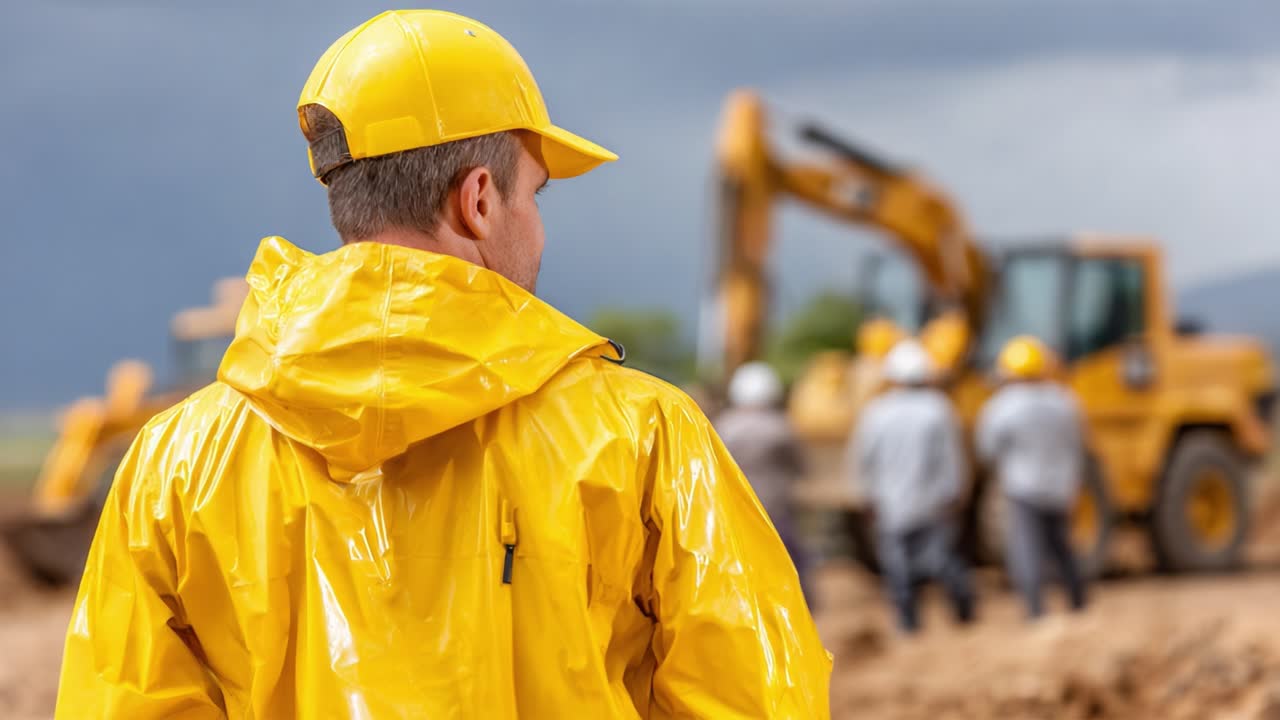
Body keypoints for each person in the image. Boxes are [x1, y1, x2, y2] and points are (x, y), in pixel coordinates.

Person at [55, 11, 830, 718]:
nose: (541, 229)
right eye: (538, 193)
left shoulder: (174, 464)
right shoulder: (646, 437)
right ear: (480, 200)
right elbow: (755, 697)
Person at [853, 338, 974, 633]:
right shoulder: (939, 409)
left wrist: (866, 496)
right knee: (941, 560)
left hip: (890, 503)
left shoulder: (876, 413)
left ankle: (909, 623)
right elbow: (950, 459)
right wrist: (955, 493)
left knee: (897, 566)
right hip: (931, 503)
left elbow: (863, 459)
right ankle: (964, 613)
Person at [976, 335, 1088, 619]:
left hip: (1022, 486)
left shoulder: (1002, 405)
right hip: (1060, 485)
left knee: (1027, 551)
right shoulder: (1064, 400)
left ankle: (1035, 610)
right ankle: (1078, 602)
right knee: (1062, 547)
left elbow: (987, 448)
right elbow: (1078, 442)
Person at [715, 362, 809, 596]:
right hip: (776, 507)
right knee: (786, 557)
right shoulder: (780, 427)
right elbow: (799, 465)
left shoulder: (724, 427)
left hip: (735, 507)